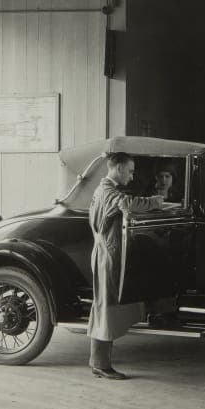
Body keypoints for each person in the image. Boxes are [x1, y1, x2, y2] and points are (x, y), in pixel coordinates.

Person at [88, 151, 164, 380]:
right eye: (130, 171)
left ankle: (99, 362)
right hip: (107, 256)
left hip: (106, 253)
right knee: (106, 308)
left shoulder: (106, 189)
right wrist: (154, 201)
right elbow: (126, 204)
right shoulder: (107, 191)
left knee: (106, 307)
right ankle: (100, 365)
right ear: (119, 168)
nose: (131, 177)